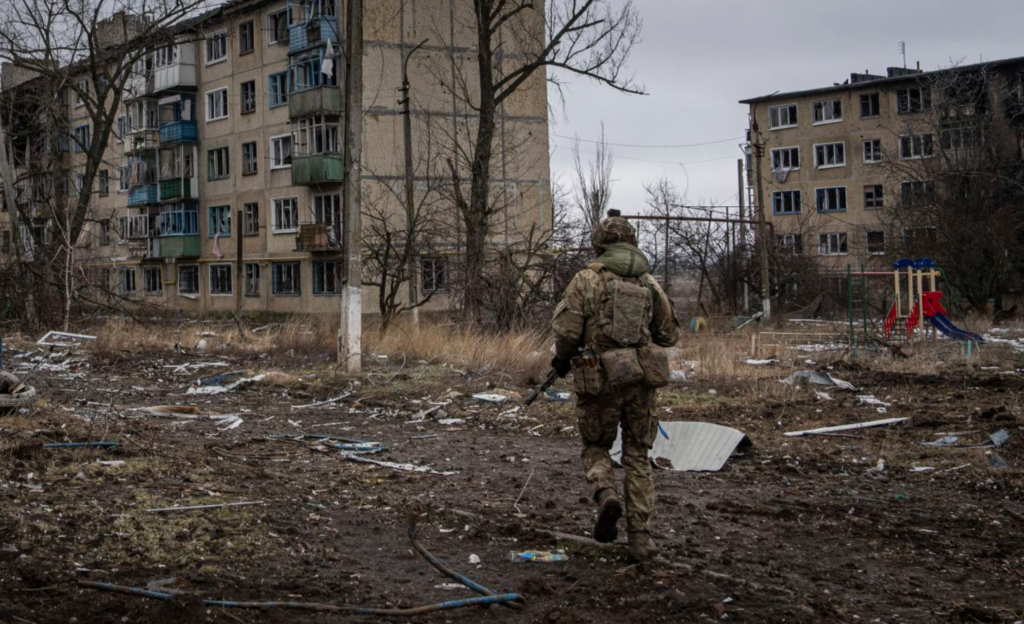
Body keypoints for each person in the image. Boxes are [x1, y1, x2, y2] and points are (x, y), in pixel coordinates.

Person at [551, 209, 680, 561]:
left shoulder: (586, 279)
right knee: (637, 455)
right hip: (640, 381)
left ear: (599, 245)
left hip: (600, 380)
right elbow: (668, 335)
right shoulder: (648, 282)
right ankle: (641, 538)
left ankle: (606, 493)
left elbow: (567, 332)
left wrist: (562, 358)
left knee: (595, 446)